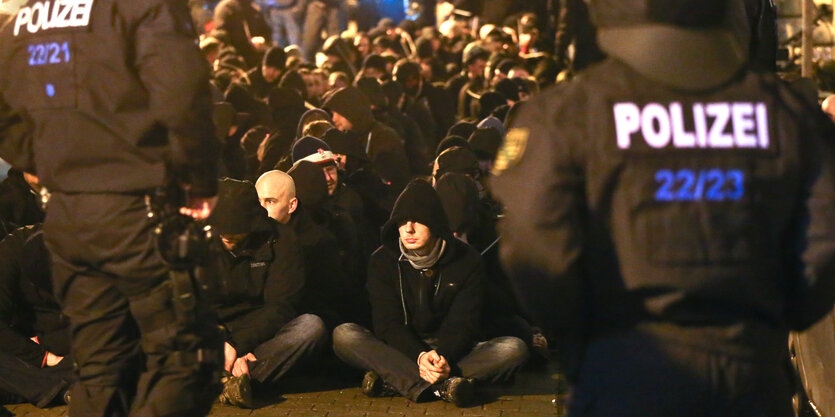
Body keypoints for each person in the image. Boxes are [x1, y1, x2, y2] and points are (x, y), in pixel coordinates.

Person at [492, 0, 835, 416]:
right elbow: (821, 246)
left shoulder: (564, 117)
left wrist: (585, 335)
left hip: (622, 372)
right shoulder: (787, 115)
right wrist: (769, 320)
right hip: (750, 372)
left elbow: (532, 250)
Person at [0, 1, 224, 415]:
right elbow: (182, 93)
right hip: (138, 207)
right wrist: (198, 179)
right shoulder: (140, 7)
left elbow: (6, 111)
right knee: (185, 361)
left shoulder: (26, 20)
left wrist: (41, 161)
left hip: (67, 216)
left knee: (101, 368)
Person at [332, 180, 528, 407]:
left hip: (450, 350)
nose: (408, 229)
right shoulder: (382, 260)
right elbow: (388, 323)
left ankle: (396, 381)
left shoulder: (467, 260)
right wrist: (420, 356)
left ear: (434, 224)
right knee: (344, 335)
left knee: (513, 349)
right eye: (402, 222)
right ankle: (442, 386)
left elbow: (464, 324)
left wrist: (443, 356)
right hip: (401, 348)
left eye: (418, 221)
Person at [209, 178, 327, 408]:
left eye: (235, 230)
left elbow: (280, 306)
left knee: (310, 327)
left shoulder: (282, 241)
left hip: (259, 332)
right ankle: (230, 381)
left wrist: (239, 346)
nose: (227, 236)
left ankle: (229, 379)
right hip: (213, 331)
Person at [0, 224, 73, 408]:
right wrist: (42, 356)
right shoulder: (10, 254)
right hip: (26, 346)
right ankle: (58, 389)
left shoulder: (81, 249)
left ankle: (40, 387)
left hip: (63, 342)